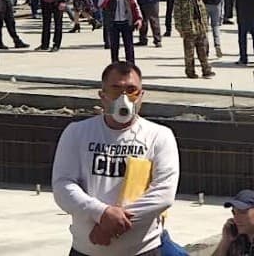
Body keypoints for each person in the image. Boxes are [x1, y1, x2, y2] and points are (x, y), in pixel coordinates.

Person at [52, 62, 179, 256]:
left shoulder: (159, 136)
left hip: (141, 250)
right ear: (102, 95)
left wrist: (110, 225)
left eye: (131, 90)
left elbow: (163, 193)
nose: (124, 98)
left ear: (141, 95)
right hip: (85, 250)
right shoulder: (76, 133)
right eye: (116, 90)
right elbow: (63, 186)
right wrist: (101, 213)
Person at [173, 0, 214, 79]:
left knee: (203, 50)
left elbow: (203, 10)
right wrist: (180, 29)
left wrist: (205, 25)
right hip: (188, 28)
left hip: (200, 27)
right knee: (189, 53)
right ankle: (190, 71)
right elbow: (177, 14)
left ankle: (206, 70)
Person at [100, 0, 143, 65]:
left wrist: (139, 19)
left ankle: (131, 66)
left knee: (129, 47)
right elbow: (100, 4)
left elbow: (135, 5)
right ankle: (115, 66)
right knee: (114, 47)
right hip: (113, 23)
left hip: (126, 22)